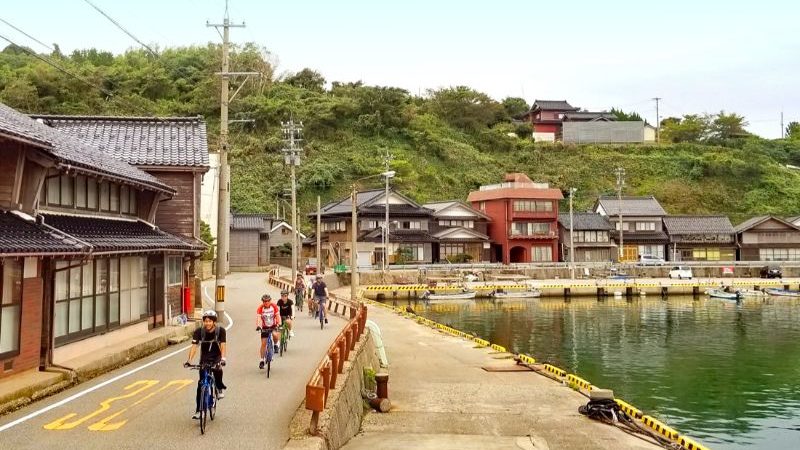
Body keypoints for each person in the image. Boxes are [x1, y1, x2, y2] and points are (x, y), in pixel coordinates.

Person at [184, 310, 227, 419]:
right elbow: (194, 347)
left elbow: (223, 345)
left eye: (209, 321)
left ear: (214, 322)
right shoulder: (199, 332)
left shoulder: (220, 331)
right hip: (204, 358)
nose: (207, 323)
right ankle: (198, 411)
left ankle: (219, 386)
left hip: (216, 357)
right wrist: (189, 360)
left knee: (218, 369)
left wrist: (223, 359)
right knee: (201, 384)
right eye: (205, 321)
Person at [256, 294, 281, 369]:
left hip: (273, 325)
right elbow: (258, 318)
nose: (266, 302)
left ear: (270, 301)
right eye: (264, 301)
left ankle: (276, 344)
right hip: (264, 327)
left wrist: (279, 324)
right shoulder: (260, 308)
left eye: (268, 301)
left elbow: (277, 316)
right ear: (262, 302)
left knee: (275, 335)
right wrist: (258, 326)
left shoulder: (274, 306)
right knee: (263, 343)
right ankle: (261, 360)